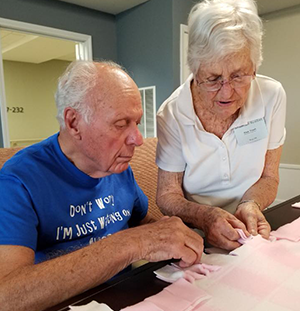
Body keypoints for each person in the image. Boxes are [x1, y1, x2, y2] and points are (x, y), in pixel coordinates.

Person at [0, 61, 203, 311]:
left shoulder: (115, 165)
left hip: (128, 295)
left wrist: (175, 232)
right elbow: (7, 295)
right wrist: (131, 244)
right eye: (120, 124)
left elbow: (140, 222)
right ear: (74, 123)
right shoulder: (17, 180)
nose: (138, 139)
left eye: (137, 123)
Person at [156, 0, 286, 251]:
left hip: (251, 225)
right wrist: (205, 218)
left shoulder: (272, 96)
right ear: (195, 69)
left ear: (255, 68)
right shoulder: (172, 114)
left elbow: (270, 176)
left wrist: (250, 204)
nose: (227, 92)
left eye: (238, 76)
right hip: (196, 235)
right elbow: (167, 195)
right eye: (213, 78)